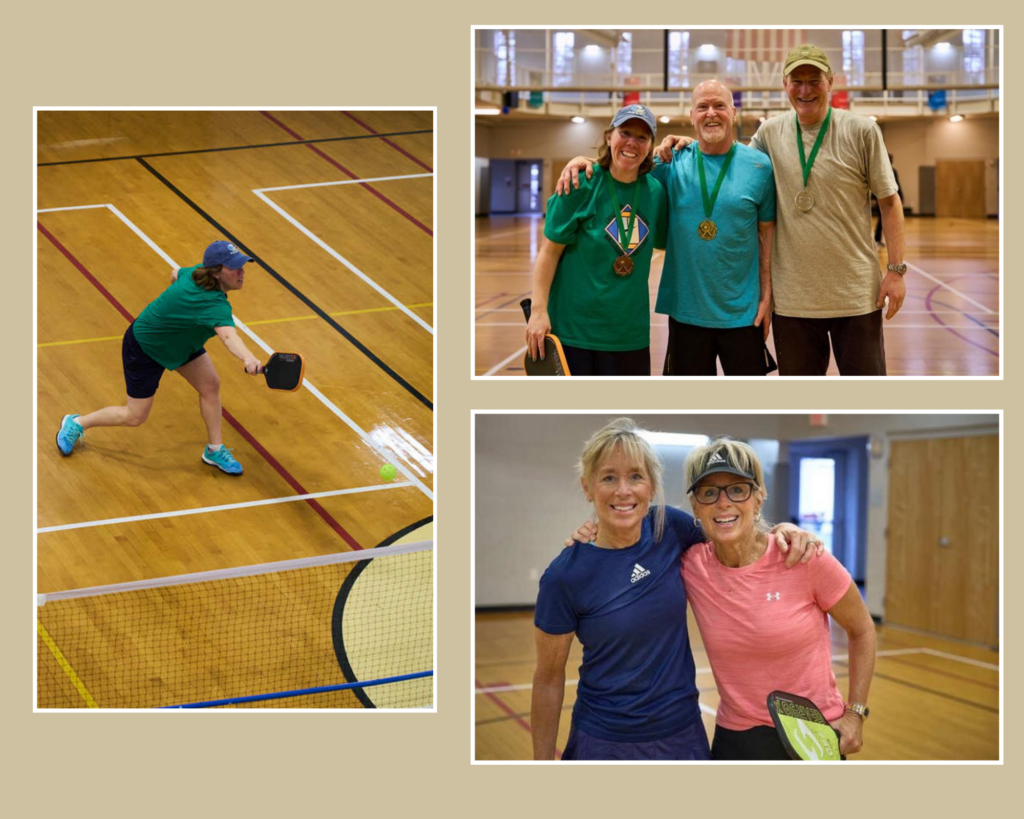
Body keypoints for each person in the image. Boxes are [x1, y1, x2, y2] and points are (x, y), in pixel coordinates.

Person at [532, 418, 821, 761]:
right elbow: (549, 680)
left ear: (652, 486)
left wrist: (782, 529)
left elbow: (734, 532)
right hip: (604, 741)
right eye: (609, 477)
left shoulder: (669, 527)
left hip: (682, 735)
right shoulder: (564, 576)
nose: (623, 490)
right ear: (587, 487)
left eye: (635, 476)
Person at [654, 45, 906, 375]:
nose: (805, 89)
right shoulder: (770, 134)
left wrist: (897, 270)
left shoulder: (861, 131)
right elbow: (722, 153)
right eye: (796, 80)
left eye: (814, 80)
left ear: (830, 82)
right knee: (799, 407)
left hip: (857, 296)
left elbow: (890, 202)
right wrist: (682, 142)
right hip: (793, 304)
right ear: (785, 84)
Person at [556, 82, 777, 376]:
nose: (711, 113)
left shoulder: (760, 167)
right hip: (685, 315)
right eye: (703, 107)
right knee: (689, 411)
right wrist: (585, 162)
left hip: (743, 315)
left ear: (734, 113)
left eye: (719, 106)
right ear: (692, 115)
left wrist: (767, 297)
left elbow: (766, 237)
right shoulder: (671, 161)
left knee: (750, 413)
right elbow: (623, 163)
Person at [680, 437, 876, 759]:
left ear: (759, 498)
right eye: (709, 492)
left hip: (812, 735)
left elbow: (863, 630)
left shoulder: (803, 557)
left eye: (738, 489)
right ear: (695, 505)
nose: (723, 502)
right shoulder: (692, 565)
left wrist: (855, 713)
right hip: (736, 738)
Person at [55, 240, 264, 475]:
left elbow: (175, 273)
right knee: (134, 416)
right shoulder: (213, 306)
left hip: (181, 343)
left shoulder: (196, 273)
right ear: (216, 272)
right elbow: (228, 338)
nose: (242, 271)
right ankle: (76, 423)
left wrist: (174, 310)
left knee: (210, 385)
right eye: (235, 267)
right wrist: (248, 357)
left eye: (242, 265)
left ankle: (214, 450)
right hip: (146, 346)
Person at [525, 105, 667, 376]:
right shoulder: (579, 184)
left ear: (650, 146)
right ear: (609, 136)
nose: (631, 143)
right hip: (574, 333)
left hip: (630, 335)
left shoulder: (656, 191)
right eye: (625, 132)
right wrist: (539, 311)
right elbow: (548, 253)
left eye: (642, 137)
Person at [874, 154, 901, 246]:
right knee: (883, 220)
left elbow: (897, 186)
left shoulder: (892, 171)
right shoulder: (882, 171)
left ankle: (889, 240)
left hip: (888, 199)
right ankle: (878, 239)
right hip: (884, 199)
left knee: (887, 220)